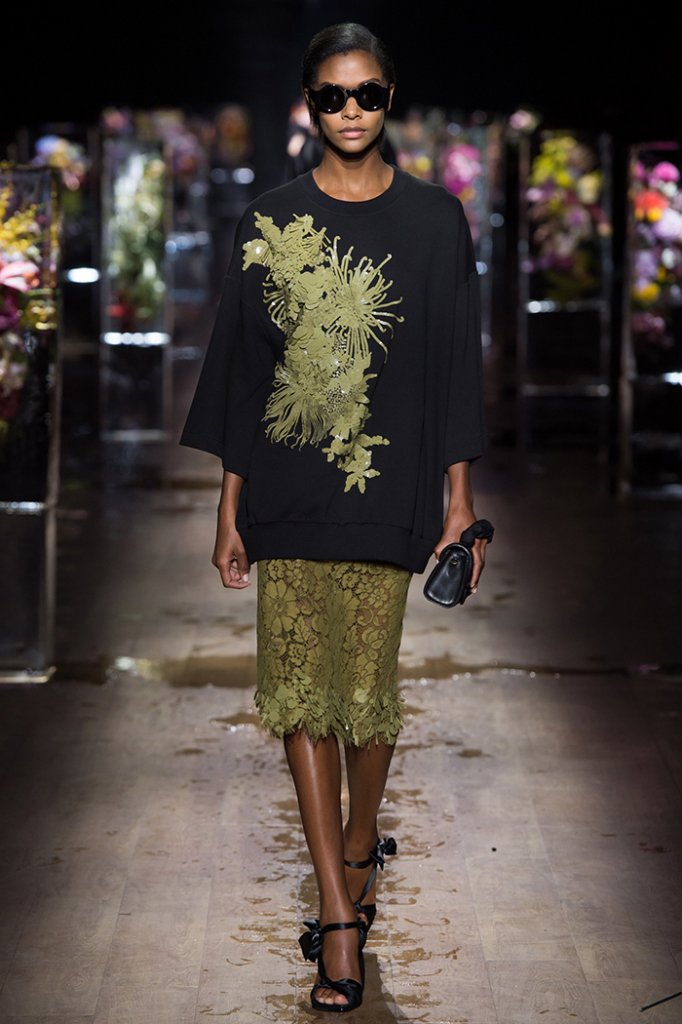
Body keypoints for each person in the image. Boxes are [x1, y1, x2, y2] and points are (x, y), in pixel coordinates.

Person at [179, 21, 489, 1014]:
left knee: (365, 690)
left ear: (390, 97)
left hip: (389, 485)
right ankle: (337, 910)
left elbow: (454, 363)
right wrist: (230, 508)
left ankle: (358, 845)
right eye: (330, 95)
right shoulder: (268, 221)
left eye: (366, 94)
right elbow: (243, 371)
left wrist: (459, 503)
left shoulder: (436, 221)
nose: (349, 111)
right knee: (300, 692)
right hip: (287, 486)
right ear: (307, 104)